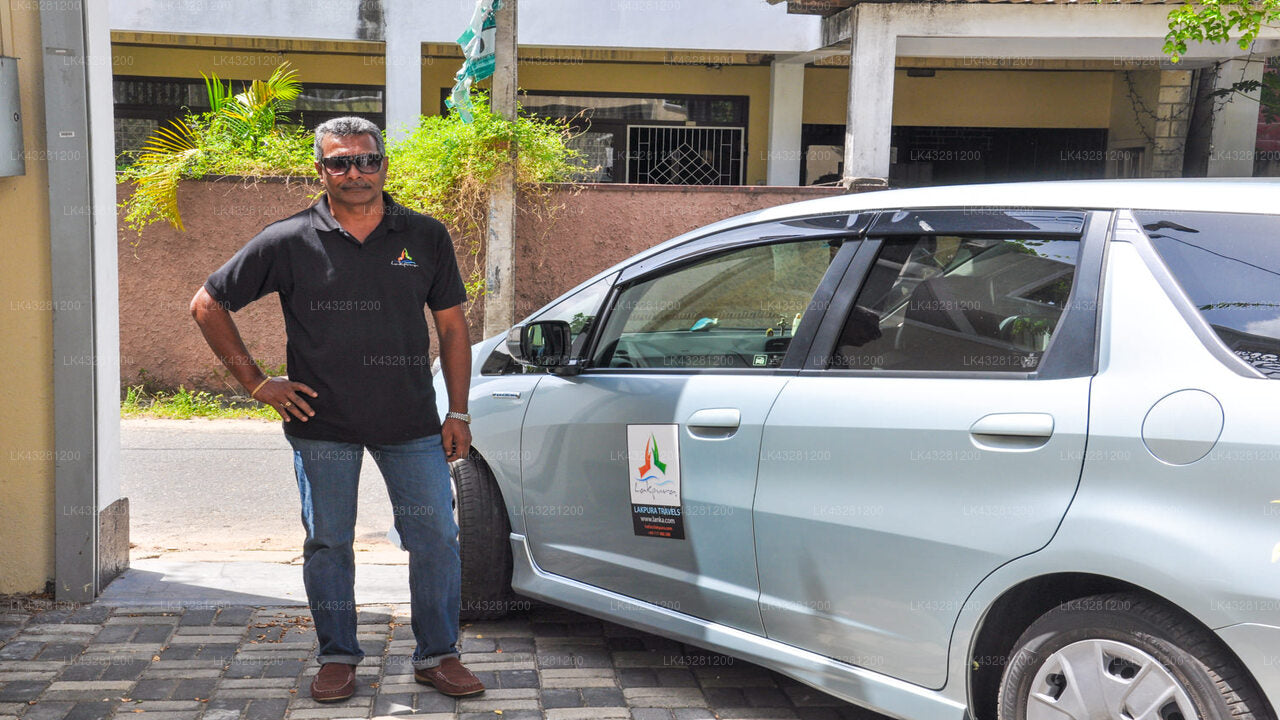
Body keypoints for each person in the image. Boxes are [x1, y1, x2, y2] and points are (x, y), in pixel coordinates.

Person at [189, 116, 483, 703]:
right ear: (320, 170)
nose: (355, 172)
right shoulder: (288, 239)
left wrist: (459, 412)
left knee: (436, 539)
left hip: (410, 422)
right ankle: (338, 656)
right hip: (321, 423)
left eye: (366, 160)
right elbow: (207, 303)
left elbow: (452, 328)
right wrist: (255, 382)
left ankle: (438, 655)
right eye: (340, 162)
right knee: (328, 541)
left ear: (384, 165)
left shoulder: (424, 236)